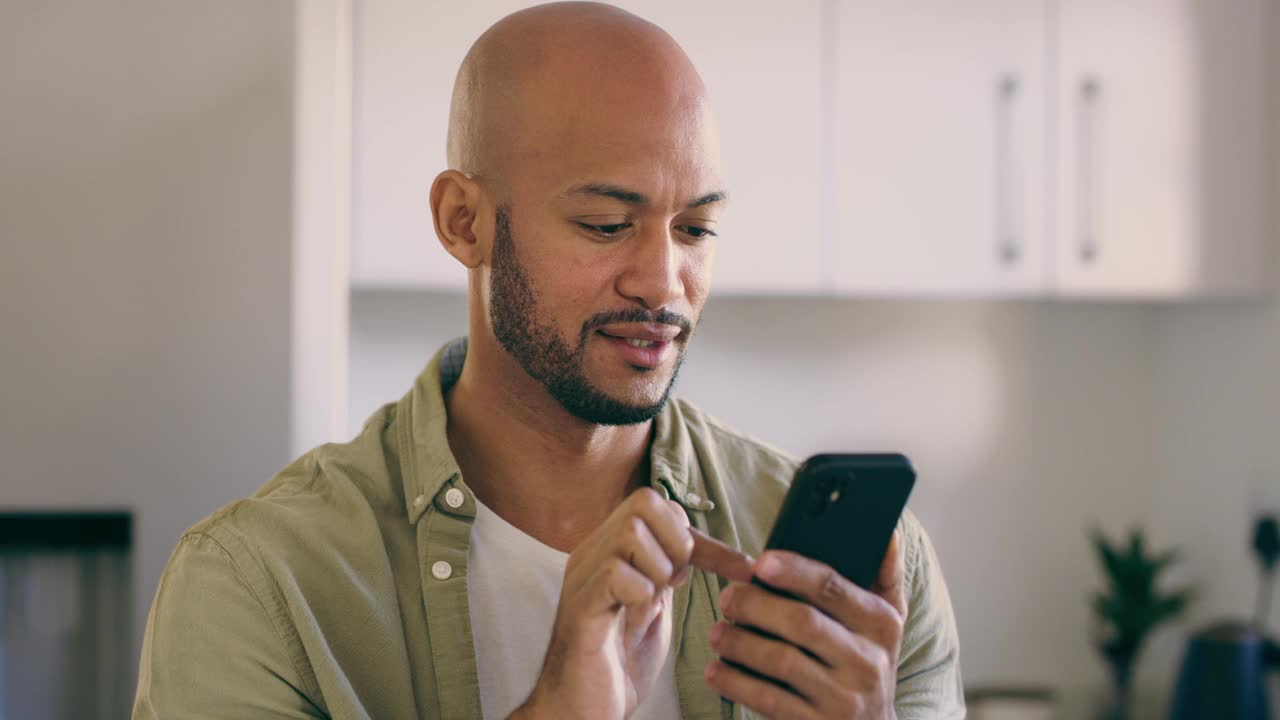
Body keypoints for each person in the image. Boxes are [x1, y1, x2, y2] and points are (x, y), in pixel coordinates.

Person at [132, 3, 964, 718]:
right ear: (464, 221)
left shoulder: (867, 592)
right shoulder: (255, 587)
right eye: (606, 224)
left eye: (696, 229)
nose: (662, 282)